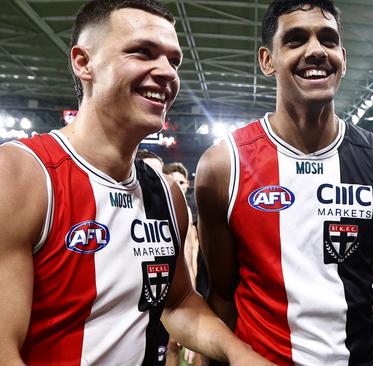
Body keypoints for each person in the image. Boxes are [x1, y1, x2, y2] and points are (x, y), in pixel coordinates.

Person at [0, 1, 273, 365]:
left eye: (174, 61)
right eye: (142, 52)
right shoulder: (21, 176)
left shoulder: (167, 195)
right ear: (84, 63)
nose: (166, 73)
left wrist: (242, 356)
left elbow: (177, 302)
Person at [195, 0, 373, 365]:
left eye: (327, 40)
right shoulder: (222, 167)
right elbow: (221, 297)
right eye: (296, 40)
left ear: (342, 58)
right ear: (267, 60)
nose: (316, 51)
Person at [163, 161, 202, 366]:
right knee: (171, 346)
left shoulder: (188, 214)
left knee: (193, 346)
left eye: (182, 181)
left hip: (190, 288)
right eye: (173, 180)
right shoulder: (160, 212)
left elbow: (192, 258)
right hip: (167, 291)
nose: (178, 185)